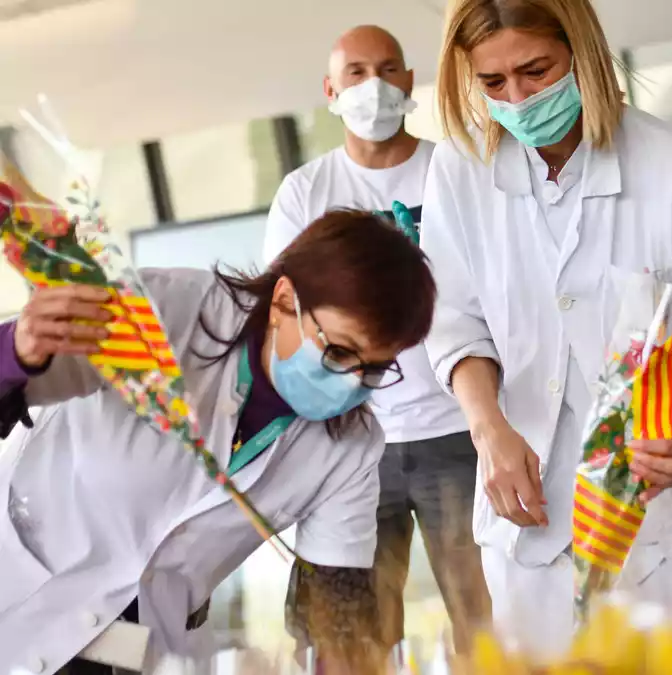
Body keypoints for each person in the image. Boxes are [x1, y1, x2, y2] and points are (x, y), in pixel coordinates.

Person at [421, 0, 672, 656]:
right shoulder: (460, 170)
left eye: (536, 70)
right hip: (532, 511)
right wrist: (488, 427)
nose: (518, 98)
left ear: (580, 52)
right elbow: (453, 320)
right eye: (493, 83)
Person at [0, 210, 435, 674]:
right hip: (19, 588)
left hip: (130, 649)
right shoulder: (160, 310)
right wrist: (17, 351)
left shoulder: (350, 446)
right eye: (340, 352)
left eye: (374, 368)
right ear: (284, 300)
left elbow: (337, 606)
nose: (352, 384)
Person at [264, 25, 490, 657]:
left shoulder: (457, 171)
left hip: (457, 431)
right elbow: (280, 319)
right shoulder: (305, 193)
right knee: (348, 628)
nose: (375, 87)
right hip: (350, 440)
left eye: (389, 70)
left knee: (488, 617)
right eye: (357, 72)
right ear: (330, 89)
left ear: (411, 82)